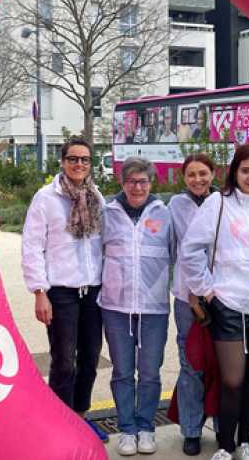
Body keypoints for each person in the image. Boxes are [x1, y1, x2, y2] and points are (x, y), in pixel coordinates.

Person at [181, 144, 249, 460]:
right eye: (245, 171)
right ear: (234, 172)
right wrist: (206, 289)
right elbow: (190, 249)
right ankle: (225, 446)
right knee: (231, 379)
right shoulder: (218, 203)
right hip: (229, 303)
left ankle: (245, 443)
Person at [21, 137, 108, 443]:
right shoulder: (46, 198)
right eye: (73, 159)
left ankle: (80, 420)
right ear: (63, 161)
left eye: (84, 159)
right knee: (63, 361)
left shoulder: (96, 196)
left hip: (92, 291)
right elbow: (32, 246)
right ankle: (59, 427)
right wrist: (39, 292)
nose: (79, 164)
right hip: (61, 292)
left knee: (90, 358)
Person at [100, 157, 172, 456]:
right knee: (122, 372)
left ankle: (146, 428)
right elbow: (95, 252)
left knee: (150, 372)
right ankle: (127, 430)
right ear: (122, 183)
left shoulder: (164, 214)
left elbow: (178, 254)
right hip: (116, 307)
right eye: (131, 181)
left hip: (154, 308)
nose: (137, 187)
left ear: (151, 183)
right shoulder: (107, 212)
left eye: (143, 181)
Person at [168, 153, 217, 456]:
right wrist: (191, 290)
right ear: (184, 178)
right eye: (191, 175)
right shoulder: (176, 205)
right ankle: (191, 429)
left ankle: (225, 426)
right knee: (191, 364)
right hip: (188, 299)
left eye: (203, 173)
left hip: (221, 296)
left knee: (223, 364)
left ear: (213, 174)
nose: (198, 180)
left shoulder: (225, 202)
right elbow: (176, 249)